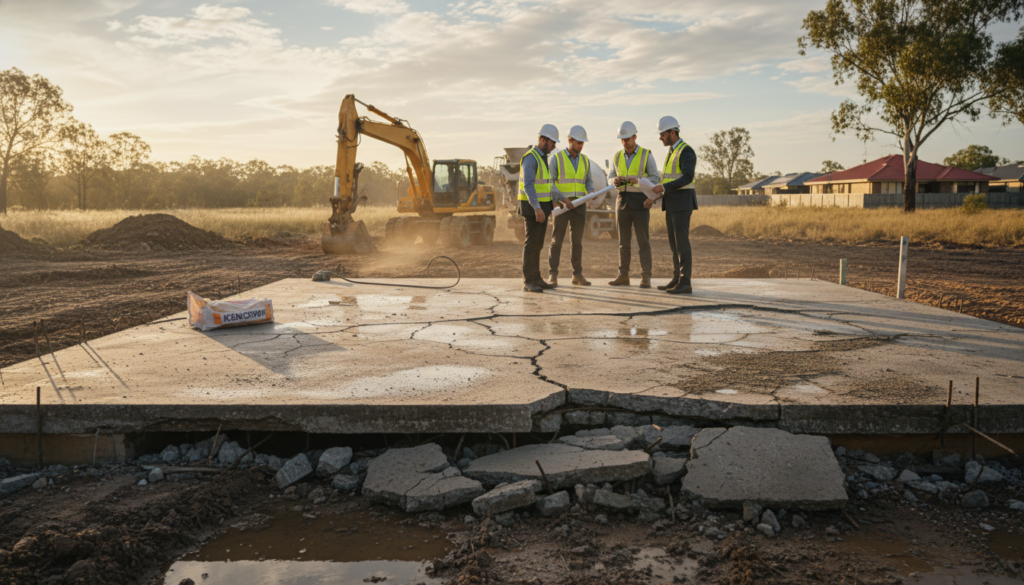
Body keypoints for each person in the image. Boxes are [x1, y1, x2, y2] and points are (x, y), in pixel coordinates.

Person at [519, 124, 570, 293]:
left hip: (541, 209)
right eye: (552, 143)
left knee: (538, 244)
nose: (554, 146)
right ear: (543, 140)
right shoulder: (531, 158)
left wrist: (562, 198)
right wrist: (537, 208)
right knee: (531, 244)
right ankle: (528, 281)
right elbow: (528, 185)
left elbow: (549, 186)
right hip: (533, 209)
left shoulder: (543, 159)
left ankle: (536, 278)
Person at [608, 121, 660, 288]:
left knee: (643, 241)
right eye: (622, 139)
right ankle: (623, 275)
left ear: (635, 137)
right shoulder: (617, 156)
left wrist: (639, 181)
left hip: (640, 202)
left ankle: (646, 277)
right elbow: (610, 176)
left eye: (627, 139)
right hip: (622, 201)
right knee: (623, 242)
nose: (625, 142)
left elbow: (655, 178)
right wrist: (614, 180)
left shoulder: (646, 154)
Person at [649, 116, 698, 294]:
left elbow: (687, 177)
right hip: (672, 204)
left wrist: (664, 187)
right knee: (674, 244)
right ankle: (677, 279)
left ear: (672, 132)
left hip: (682, 204)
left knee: (681, 243)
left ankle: (685, 282)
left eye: (662, 134)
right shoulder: (672, 151)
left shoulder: (686, 151)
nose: (660, 138)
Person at [547, 125, 593, 287]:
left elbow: (588, 181)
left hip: (579, 205)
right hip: (561, 205)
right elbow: (550, 183)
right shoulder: (556, 159)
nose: (580, 146)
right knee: (556, 241)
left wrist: (591, 191)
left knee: (577, 242)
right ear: (570, 141)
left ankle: (577, 275)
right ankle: (552, 275)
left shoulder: (585, 160)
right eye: (578, 143)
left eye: (582, 143)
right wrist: (557, 201)